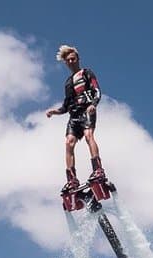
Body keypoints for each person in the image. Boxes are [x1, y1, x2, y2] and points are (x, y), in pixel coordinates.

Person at [45, 44, 106, 194]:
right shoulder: (68, 83)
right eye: (68, 60)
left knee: (88, 135)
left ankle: (98, 169)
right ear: (65, 63)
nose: (71, 62)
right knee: (69, 142)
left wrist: (93, 104)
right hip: (74, 116)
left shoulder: (86, 73)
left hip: (87, 110)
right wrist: (54, 112)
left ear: (78, 59)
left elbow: (97, 90)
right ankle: (71, 179)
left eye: (73, 59)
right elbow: (66, 106)